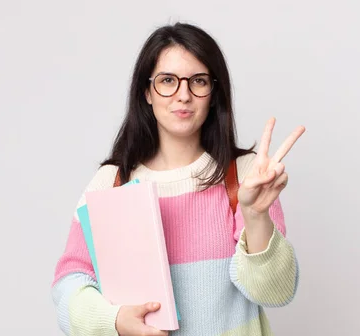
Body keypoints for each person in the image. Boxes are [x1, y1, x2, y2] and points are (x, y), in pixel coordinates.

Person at [51, 22, 305, 336]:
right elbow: (69, 284)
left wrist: (255, 215)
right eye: (168, 81)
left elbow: (276, 292)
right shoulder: (111, 182)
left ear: (213, 94)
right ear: (146, 92)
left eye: (198, 81)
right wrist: (113, 321)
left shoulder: (246, 175)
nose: (183, 95)